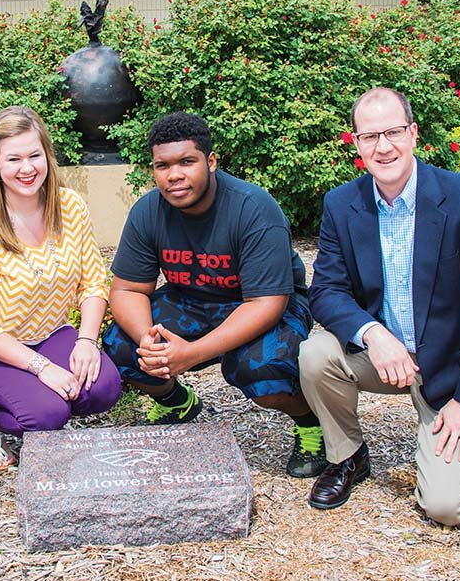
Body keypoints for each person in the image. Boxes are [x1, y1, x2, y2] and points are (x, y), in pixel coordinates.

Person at [300, 87, 460, 525]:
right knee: (314, 355)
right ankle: (348, 456)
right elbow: (326, 291)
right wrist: (374, 334)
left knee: (447, 509)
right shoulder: (341, 204)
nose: (383, 147)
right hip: (386, 358)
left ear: (414, 133)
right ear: (356, 143)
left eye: (393, 132)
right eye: (370, 136)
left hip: (453, 371)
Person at [103, 112, 326, 478]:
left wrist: (190, 355)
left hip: (263, 303)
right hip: (192, 298)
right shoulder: (148, 211)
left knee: (258, 369)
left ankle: (309, 421)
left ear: (210, 161)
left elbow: (266, 304)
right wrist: (150, 342)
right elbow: (128, 289)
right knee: (123, 347)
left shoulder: (253, 209)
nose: (174, 175)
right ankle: (176, 403)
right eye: (163, 165)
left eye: (186, 162)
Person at [0, 106, 122, 469]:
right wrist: (43, 368)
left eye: (34, 155)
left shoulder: (70, 207)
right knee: (47, 415)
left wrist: (87, 342)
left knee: (104, 387)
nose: (26, 169)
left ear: (47, 154)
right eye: (13, 159)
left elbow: (93, 280)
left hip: (48, 331)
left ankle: (32, 397)